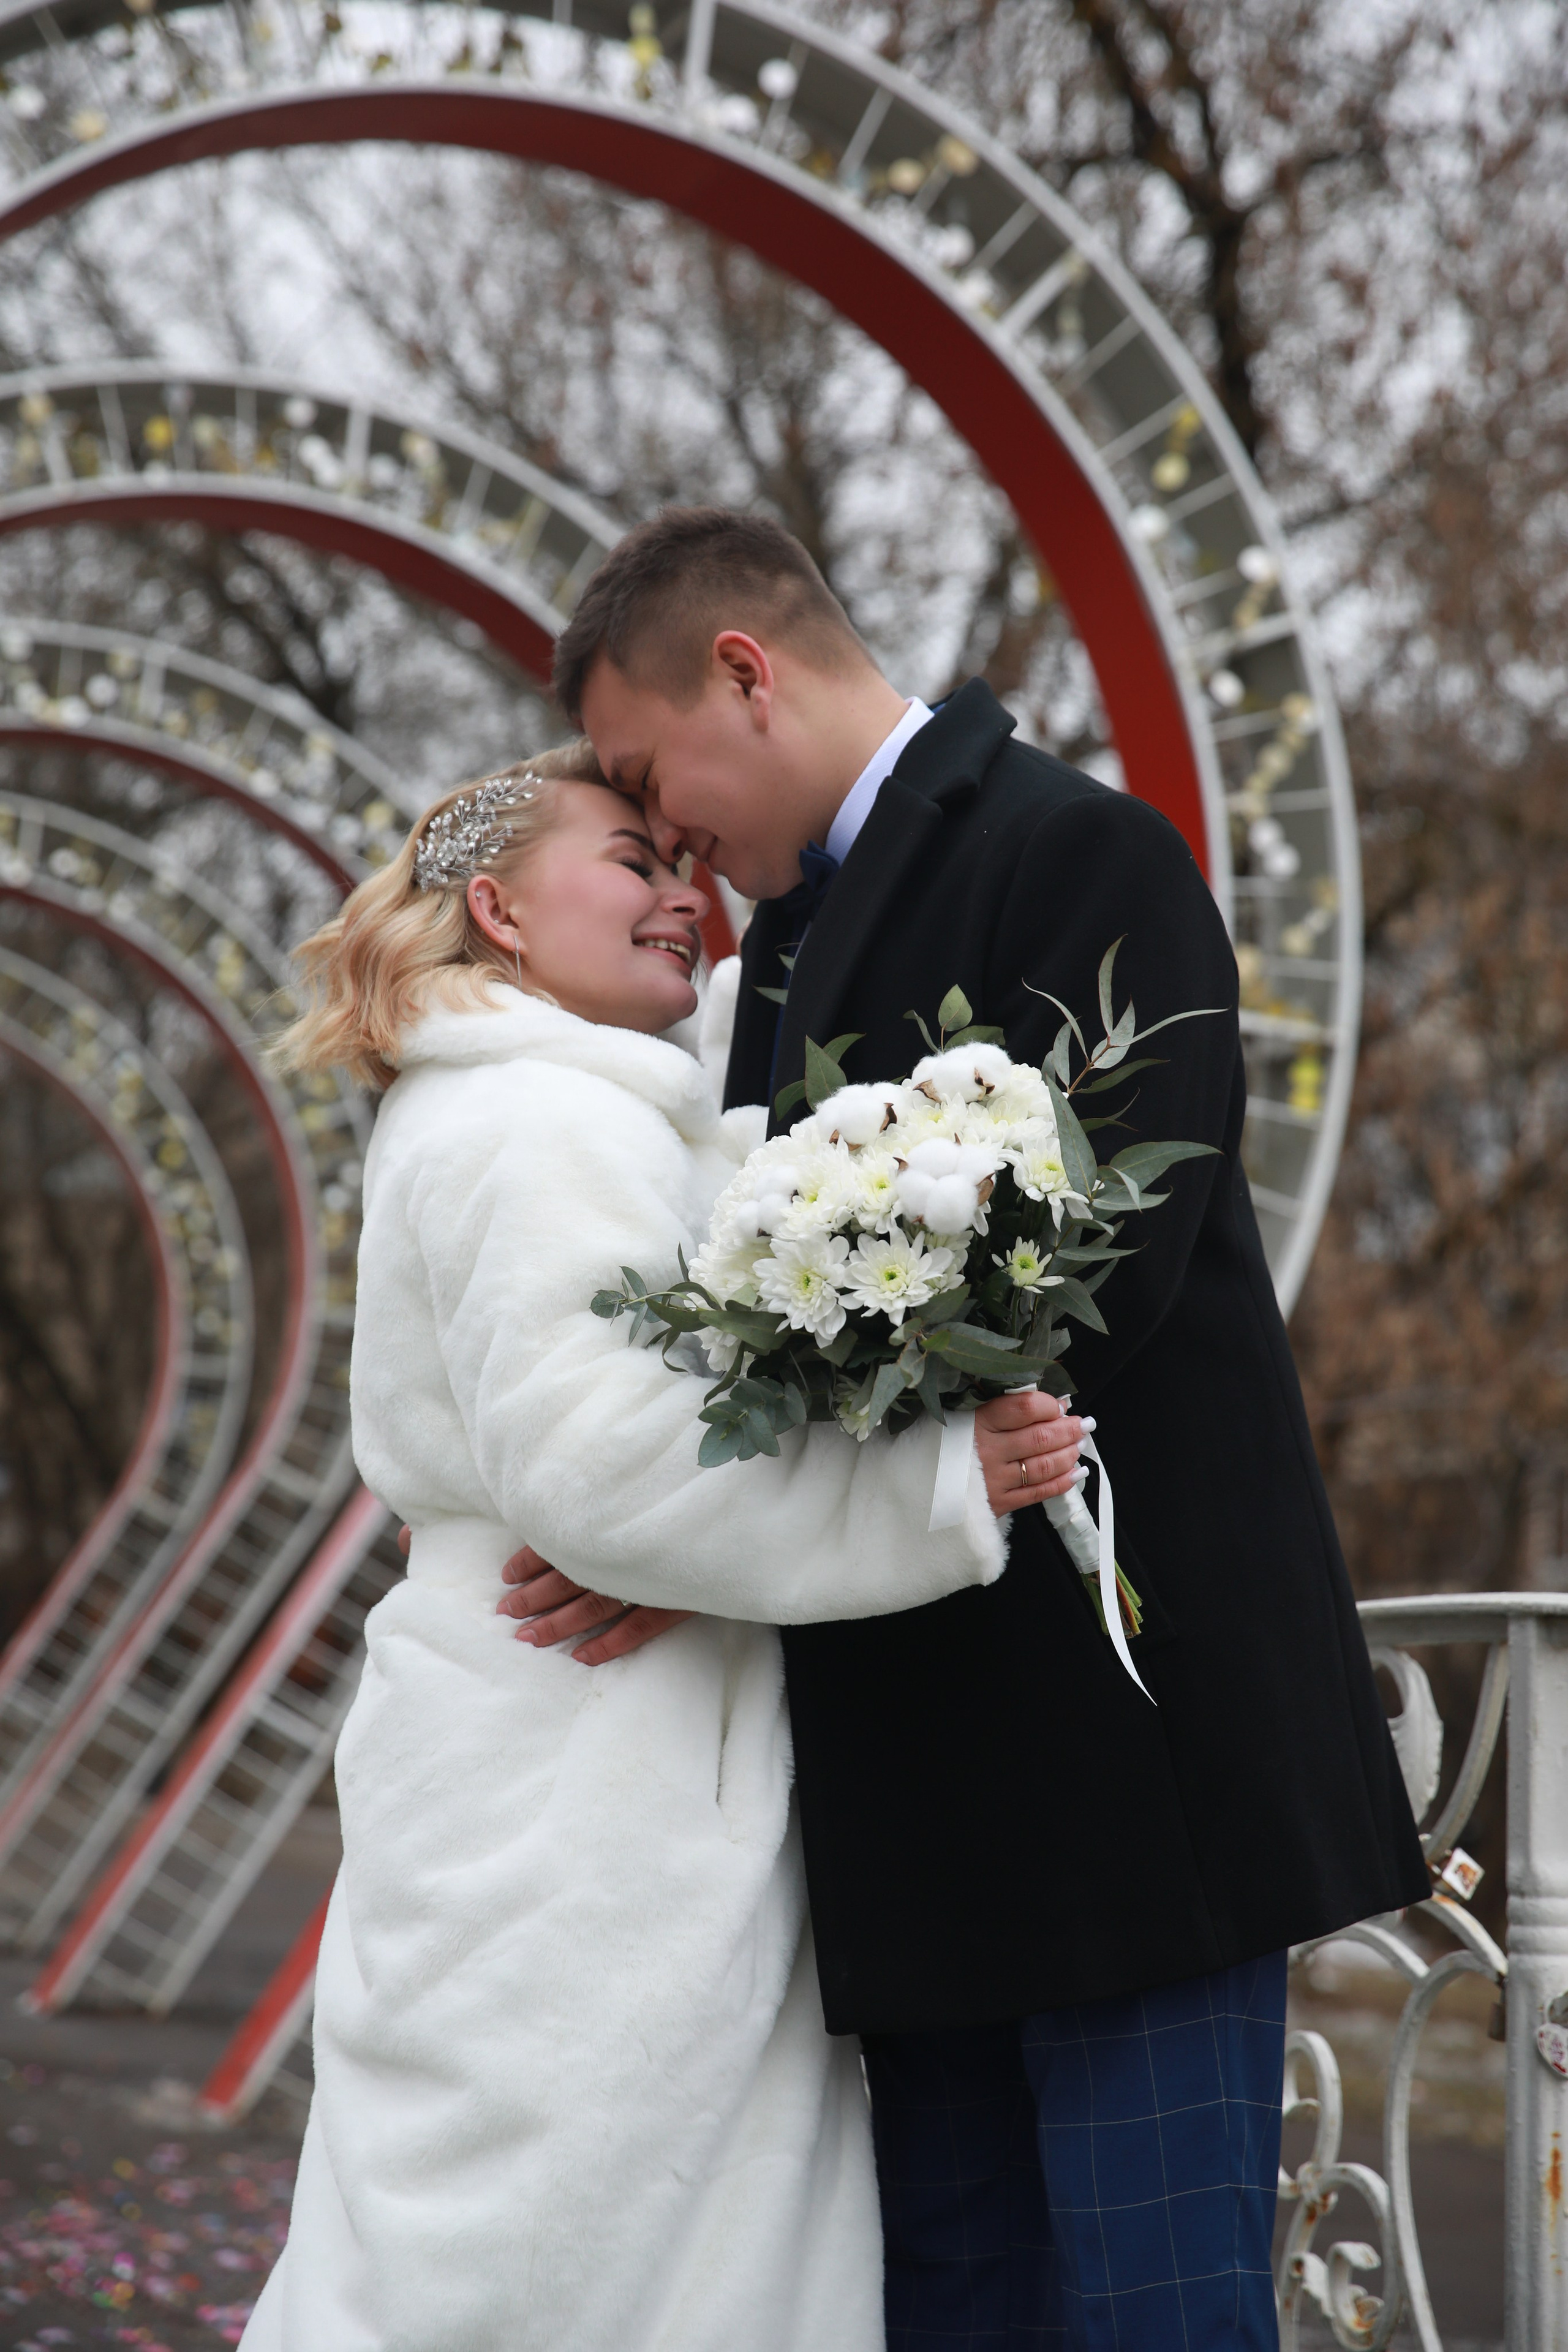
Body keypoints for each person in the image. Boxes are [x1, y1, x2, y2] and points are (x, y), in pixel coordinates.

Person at [505, 507, 1431, 2351]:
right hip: (912, 1799)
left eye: (644, 773)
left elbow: (1106, 1278)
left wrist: (741, 1530)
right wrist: (698, 1526)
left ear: (745, 674)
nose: (664, 829)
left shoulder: (1082, 851)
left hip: (1127, 1774)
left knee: (1158, 2315)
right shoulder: (771, 963)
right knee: (949, 2315)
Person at [241, 737, 1080, 2352]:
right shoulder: (533, 1125)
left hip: (568, 1746)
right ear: (497, 907)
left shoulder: (564, 1108)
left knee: (571, 2246)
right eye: (633, 860)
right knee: (556, 2255)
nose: (683, 897)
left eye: (682, 864)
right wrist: (929, 1487)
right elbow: (603, 1467)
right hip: (573, 1776)